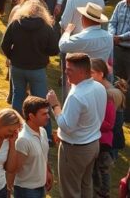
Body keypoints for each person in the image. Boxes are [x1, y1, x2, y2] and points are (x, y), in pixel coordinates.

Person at [46, 53, 107, 198]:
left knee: (70, 191)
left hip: (75, 150)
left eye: (69, 69)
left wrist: (54, 104)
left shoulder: (77, 96)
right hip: (92, 145)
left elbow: (66, 126)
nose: (65, 72)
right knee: (86, 185)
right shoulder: (99, 87)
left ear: (81, 72)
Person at [1, 0, 59, 135]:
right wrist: (43, 53)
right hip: (37, 70)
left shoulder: (15, 23)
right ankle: (47, 134)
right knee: (41, 102)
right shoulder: (46, 28)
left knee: (17, 97)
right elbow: (54, 50)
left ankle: (14, 130)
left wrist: (12, 56)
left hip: (17, 68)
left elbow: (4, 45)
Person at [8, 96, 53, 198]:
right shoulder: (23, 140)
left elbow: (43, 156)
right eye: (44, 114)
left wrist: (47, 172)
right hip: (26, 191)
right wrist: (8, 190)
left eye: (47, 113)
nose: (48, 117)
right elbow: (14, 169)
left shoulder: (42, 131)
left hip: (41, 187)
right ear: (31, 116)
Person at [90, 58, 118, 198]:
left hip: (104, 141)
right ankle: (96, 190)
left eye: (92, 72)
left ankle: (104, 192)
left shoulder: (108, 96)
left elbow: (109, 124)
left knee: (103, 168)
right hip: (93, 139)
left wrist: (93, 123)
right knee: (94, 168)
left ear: (101, 74)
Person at [109, 0, 130, 108]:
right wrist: (112, 35)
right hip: (117, 49)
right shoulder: (120, 5)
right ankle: (117, 109)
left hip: (128, 51)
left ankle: (127, 113)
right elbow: (112, 22)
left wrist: (120, 37)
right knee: (117, 80)